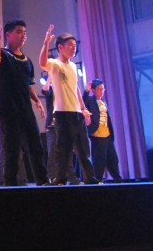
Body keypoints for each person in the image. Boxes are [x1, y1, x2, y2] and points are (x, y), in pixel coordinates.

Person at [0, 20, 49, 186]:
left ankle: (43, 181)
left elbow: (28, 85)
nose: (23, 35)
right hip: (7, 110)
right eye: (19, 32)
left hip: (25, 109)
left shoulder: (27, 61)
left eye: (24, 32)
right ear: (8, 35)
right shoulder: (2, 54)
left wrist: (37, 101)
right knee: (11, 149)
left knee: (35, 146)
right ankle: (10, 184)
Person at [38, 26, 98, 185]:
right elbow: (42, 63)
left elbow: (75, 88)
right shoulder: (55, 64)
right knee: (63, 149)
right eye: (70, 45)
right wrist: (46, 42)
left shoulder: (73, 66)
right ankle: (60, 179)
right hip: (62, 113)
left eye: (75, 46)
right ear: (60, 47)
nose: (73, 48)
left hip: (76, 113)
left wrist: (83, 108)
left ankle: (90, 178)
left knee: (83, 149)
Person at [42, 80, 82, 184]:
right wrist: (50, 78)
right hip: (51, 125)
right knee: (52, 152)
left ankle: (71, 178)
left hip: (63, 124)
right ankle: (52, 177)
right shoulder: (51, 89)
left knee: (67, 151)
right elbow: (44, 90)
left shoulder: (63, 90)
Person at [85, 79, 123, 183]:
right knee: (99, 159)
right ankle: (98, 180)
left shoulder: (103, 102)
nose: (101, 91)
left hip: (107, 134)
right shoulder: (90, 101)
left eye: (103, 89)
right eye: (99, 89)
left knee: (113, 158)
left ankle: (118, 180)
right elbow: (83, 101)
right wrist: (86, 91)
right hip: (97, 134)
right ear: (94, 90)